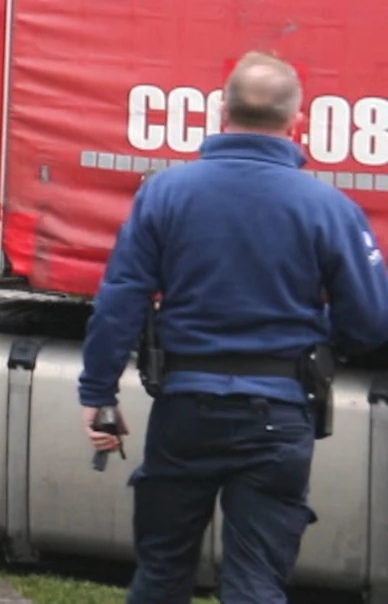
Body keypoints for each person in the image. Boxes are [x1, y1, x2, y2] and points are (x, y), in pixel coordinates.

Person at [77, 50, 388, 604]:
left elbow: (120, 299)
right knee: (255, 586)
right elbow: (369, 323)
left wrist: (98, 394)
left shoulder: (165, 193)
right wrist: (316, 340)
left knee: (161, 575)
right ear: (298, 121)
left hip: (185, 411)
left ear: (222, 112)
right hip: (280, 418)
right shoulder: (330, 207)